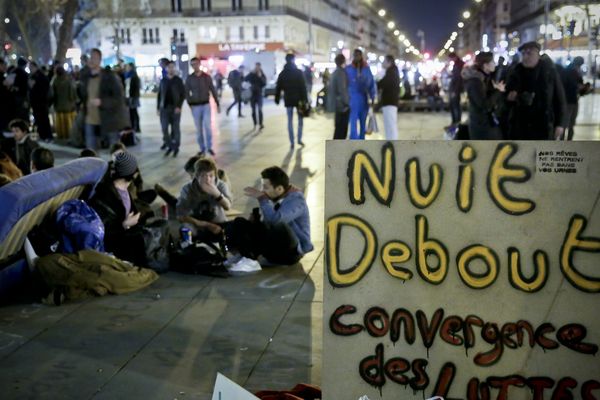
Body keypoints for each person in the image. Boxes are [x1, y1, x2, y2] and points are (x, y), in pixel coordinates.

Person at [242, 166, 313, 265]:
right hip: (278, 247)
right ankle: (249, 257)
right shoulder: (274, 197)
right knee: (240, 223)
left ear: (279, 189)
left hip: (293, 252)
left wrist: (263, 199)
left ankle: (256, 257)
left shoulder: (297, 200)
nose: (262, 190)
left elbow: (275, 221)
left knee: (280, 225)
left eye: (266, 187)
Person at [89, 151, 147, 266]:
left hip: (125, 235)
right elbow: (102, 231)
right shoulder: (104, 195)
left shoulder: (125, 188)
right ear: (134, 174)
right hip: (114, 244)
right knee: (138, 239)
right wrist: (125, 225)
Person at [505, 41, 567, 140]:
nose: (525, 56)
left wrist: (560, 124)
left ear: (538, 55)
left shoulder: (549, 72)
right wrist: (513, 97)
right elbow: (506, 96)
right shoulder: (515, 72)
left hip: (543, 125)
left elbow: (559, 99)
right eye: (523, 53)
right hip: (520, 125)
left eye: (529, 53)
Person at [80, 48, 129, 150]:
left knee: (115, 151)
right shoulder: (85, 77)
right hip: (90, 119)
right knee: (91, 152)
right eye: (89, 57)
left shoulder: (109, 77)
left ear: (99, 59)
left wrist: (102, 102)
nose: (91, 60)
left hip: (109, 120)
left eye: (94, 57)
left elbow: (119, 98)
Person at [177, 157, 232, 240]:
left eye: (211, 176)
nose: (208, 180)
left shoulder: (221, 185)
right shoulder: (187, 189)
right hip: (198, 225)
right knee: (185, 228)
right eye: (203, 176)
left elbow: (227, 206)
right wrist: (207, 225)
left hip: (219, 223)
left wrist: (216, 193)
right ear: (196, 176)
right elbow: (181, 215)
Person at [462, 51, 505, 140]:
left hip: (484, 122)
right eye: (492, 62)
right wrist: (498, 91)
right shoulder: (475, 82)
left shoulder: (483, 78)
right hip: (480, 125)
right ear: (485, 65)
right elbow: (484, 105)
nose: (494, 64)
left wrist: (493, 89)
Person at [185, 57, 220, 156]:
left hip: (205, 105)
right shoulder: (190, 78)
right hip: (195, 106)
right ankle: (202, 148)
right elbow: (186, 92)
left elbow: (212, 90)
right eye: (192, 64)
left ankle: (209, 147)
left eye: (196, 64)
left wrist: (217, 103)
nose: (194, 66)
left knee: (208, 127)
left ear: (199, 64)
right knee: (199, 129)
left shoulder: (206, 77)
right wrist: (190, 103)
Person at [275, 53, 308, 148]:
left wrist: (277, 99)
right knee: (300, 120)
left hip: (288, 99)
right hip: (299, 100)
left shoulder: (282, 73)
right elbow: (303, 87)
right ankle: (299, 139)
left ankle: (292, 142)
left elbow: (278, 87)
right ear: (293, 60)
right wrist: (305, 99)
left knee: (289, 121)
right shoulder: (298, 72)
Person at [346, 49, 376, 140]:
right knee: (353, 121)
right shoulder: (348, 69)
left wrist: (373, 97)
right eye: (356, 55)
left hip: (363, 99)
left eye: (359, 56)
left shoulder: (366, 69)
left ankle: (361, 139)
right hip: (352, 99)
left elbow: (371, 84)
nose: (357, 57)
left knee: (363, 122)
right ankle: (354, 140)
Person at [157, 61, 185, 156]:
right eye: (169, 67)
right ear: (166, 69)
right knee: (164, 128)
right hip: (164, 108)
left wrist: (179, 106)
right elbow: (159, 95)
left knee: (175, 128)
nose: (171, 69)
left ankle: (176, 147)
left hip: (175, 108)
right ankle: (170, 145)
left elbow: (183, 94)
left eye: (173, 67)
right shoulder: (163, 80)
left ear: (175, 68)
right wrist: (158, 107)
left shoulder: (178, 80)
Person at [560, 56, 591, 140]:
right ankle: (562, 141)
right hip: (568, 100)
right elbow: (570, 84)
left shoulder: (576, 71)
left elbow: (579, 85)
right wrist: (579, 87)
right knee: (566, 122)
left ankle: (569, 140)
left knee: (571, 123)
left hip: (574, 100)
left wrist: (584, 88)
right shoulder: (569, 70)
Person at [326, 53, 350, 140]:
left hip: (337, 104)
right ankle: (338, 150)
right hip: (342, 106)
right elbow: (342, 90)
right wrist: (347, 103)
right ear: (343, 61)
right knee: (341, 131)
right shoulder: (341, 73)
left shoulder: (335, 73)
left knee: (338, 128)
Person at [28, 61, 53, 142]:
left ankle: (47, 136)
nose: (30, 69)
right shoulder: (32, 76)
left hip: (41, 102)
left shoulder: (40, 76)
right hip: (36, 102)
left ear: (35, 67)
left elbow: (44, 88)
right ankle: (42, 135)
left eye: (31, 67)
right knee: (39, 119)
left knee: (44, 119)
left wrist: (34, 86)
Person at [51, 66, 77, 141]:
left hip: (59, 105)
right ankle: (70, 134)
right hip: (69, 105)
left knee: (60, 121)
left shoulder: (55, 80)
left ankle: (61, 135)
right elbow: (73, 91)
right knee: (69, 121)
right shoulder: (69, 79)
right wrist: (73, 100)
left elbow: (52, 93)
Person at [377, 55, 400, 140]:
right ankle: (391, 143)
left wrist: (376, 84)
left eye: (384, 61)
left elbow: (383, 84)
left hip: (390, 103)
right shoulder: (392, 71)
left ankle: (393, 145)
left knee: (390, 126)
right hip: (390, 102)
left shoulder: (391, 72)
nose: (382, 63)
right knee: (390, 126)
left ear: (389, 62)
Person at [244, 62, 267, 130]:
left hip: (259, 94)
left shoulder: (262, 74)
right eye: (256, 66)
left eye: (258, 66)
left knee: (260, 109)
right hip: (252, 95)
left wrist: (260, 77)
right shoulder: (252, 74)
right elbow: (245, 79)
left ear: (260, 67)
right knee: (253, 110)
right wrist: (251, 73)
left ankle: (261, 124)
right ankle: (254, 124)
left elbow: (264, 83)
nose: (257, 68)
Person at [447, 52, 465, 127]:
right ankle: (456, 121)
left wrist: (455, 91)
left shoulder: (458, 64)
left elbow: (458, 79)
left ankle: (456, 122)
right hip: (455, 89)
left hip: (455, 89)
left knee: (455, 106)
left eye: (450, 59)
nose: (449, 60)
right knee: (455, 105)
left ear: (453, 57)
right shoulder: (458, 64)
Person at [124, 63, 141, 133]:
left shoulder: (133, 76)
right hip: (133, 97)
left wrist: (131, 97)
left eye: (128, 67)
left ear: (131, 67)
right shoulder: (131, 75)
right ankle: (136, 127)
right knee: (134, 112)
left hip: (133, 97)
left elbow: (132, 88)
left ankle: (135, 127)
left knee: (133, 113)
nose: (126, 68)